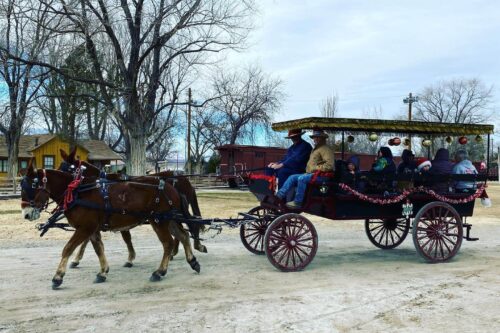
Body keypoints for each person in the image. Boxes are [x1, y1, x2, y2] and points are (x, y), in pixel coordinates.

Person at [276, 129, 334, 208]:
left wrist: (315, 168)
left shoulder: (325, 149)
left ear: (323, 138)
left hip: (323, 176)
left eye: (318, 137)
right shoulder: (316, 149)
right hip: (312, 174)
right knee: (292, 177)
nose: (315, 139)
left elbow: (330, 165)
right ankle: (279, 195)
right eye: (314, 137)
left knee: (301, 178)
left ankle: (298, 202)